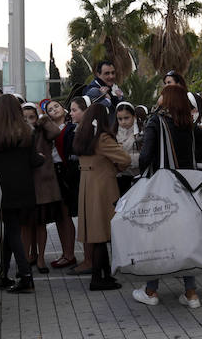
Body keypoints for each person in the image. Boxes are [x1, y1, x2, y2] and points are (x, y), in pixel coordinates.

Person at [132, 84, 202, 308]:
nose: (158, 96)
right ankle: (191, 293)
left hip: (162, 189)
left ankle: (151, 291)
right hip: (188, 187)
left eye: (162, 94)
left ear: (166, 100)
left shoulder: (156, 122)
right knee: (183, 239)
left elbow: (145, 155)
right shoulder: (188, 125)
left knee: (158, 239)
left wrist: (144, 172)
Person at [0, 94, 42, 294]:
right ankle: (10, 275)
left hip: (2, 187)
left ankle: (23, 277)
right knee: (12, 230)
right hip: (23, 186)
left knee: (11, 229)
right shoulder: (26, 132)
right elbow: (34, 160)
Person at [72, 103, 130, 291]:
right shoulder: (103, 138)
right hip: (102, 186)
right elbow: (125, 159)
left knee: (97, 234)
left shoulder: (82, 134)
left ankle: (104, 275)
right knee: (101, 234)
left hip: (87, 185)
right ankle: (98, 279)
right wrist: (117, 168)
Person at [26, 100, 79, 270]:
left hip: (66, 171)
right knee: (59, 217)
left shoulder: (69, 126)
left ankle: (69, 254)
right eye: (49, 109)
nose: (54, 109)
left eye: (56, 106)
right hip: (53, 173)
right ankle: (66, 253)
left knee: (65, 215)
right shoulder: (44, 127)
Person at [59, 96, 95, 275]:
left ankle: (90, 260)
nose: (71, 114)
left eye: (75, 110)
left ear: (85, 111)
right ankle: (88, 259)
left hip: (87, 180)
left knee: (87, 221)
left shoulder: (92, 130)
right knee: (82, 220)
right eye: (71, 110)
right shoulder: (73, 129)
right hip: (76, 180)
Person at [112, 102, 141, 195]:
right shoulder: (113, 133)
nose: (123, 122)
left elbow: (144, 155)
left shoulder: (140, 132)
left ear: (134, 116)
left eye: (126, 118)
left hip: (137, 176)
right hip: (119, 177)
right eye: (120, 119)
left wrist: (124, 158)